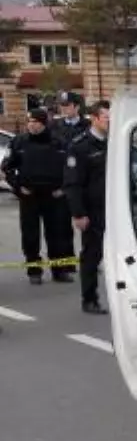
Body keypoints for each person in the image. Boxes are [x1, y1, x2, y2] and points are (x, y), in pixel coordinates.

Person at [0, 109, 76, 285]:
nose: (31, 125)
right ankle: (34, 271)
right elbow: (6, 169)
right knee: (30, 236)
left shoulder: (59, 143)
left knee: (57, 235)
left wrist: (63, 189)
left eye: (35, 121)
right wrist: (18, 187)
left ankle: (59, 271)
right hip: (29, 196)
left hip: (54, 196)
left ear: (43, 123)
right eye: (29, 121)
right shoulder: (19, 142)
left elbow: (71, 169)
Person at [63, 100, 110, 315]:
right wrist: (79, 214)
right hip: (93, 211)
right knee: (92, 255)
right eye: (107, 118)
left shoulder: (115, 143)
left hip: (115, 210)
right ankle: (89, 299)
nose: (110, 122)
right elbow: (73, 184)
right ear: (94, 118)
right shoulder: (80, 146)